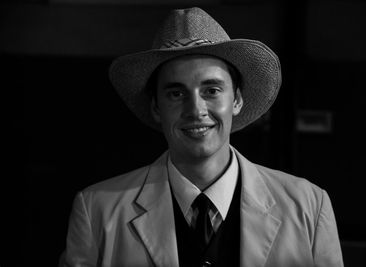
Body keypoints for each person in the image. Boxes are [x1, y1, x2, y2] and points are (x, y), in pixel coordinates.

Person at [60, 7, 343, 267]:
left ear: (237, 100)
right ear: (156, 108)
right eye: (176, 93)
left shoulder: (308, 205)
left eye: (211, 90)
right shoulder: (97, 209)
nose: (195, 110)